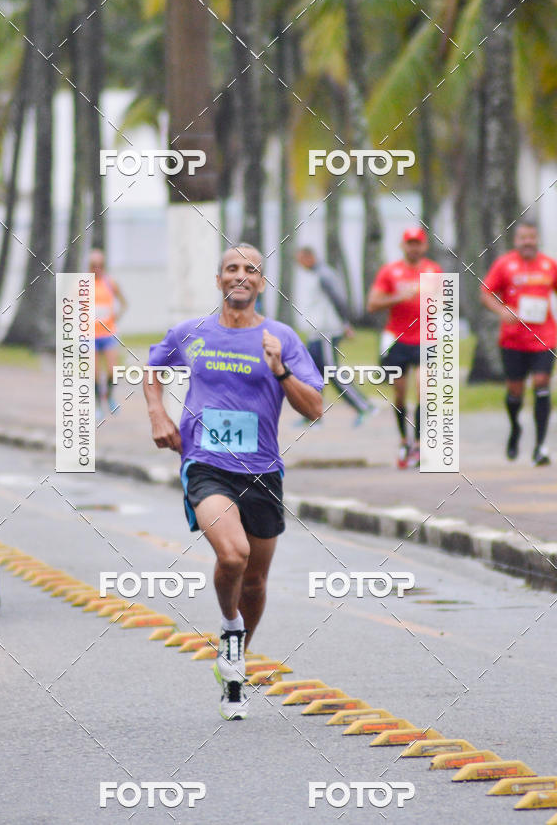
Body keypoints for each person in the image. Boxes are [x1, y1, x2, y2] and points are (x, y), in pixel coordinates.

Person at [143, 244, 323, 720]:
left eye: (251, 270)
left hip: (263, 469)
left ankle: (235, 658)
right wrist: (158, 414)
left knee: (257, 580)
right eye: (231, 269)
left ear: (261, 283)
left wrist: (280, 370)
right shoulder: (192, 333)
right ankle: (229, 627)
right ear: (219, 279)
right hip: (206, 463)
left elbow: (315, 408)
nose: (240, 276)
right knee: (234, 554)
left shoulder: (281, 337)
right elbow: (153, 368)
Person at [481, 221, 557, 465]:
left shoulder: (549, 265)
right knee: (515, 392)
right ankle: (515, 429)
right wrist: (503, 310)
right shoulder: (505, 264)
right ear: (516, 240)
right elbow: (486, 293)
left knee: (541, 382)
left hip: (544, 338)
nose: (528, 242)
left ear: (537, 239)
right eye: (523, 238)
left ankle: (540, 446)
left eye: (532, 238)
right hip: (513, 340)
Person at [366, 227, 442, 468]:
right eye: (410, 243)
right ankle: (403, 440)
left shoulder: (433, 270)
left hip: (425, 338)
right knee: (400, 393)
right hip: (397, 338)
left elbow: (444, 302)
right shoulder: (391, 272)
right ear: (402, 245)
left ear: (424, 246)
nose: (414, 248)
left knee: (424, 389)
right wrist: (398, 297)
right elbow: (372, 304)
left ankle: (419, 444)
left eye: (417, 243)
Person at [295, 247, 375, 422]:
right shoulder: (313, 275)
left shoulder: (324, 275)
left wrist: (346, 323)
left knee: (332, 372)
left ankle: (364, 406)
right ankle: (313, 414)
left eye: (301, 259)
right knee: (313, 373)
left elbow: (337, 299)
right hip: (316, 332)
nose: (299, 264)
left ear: (309, 257)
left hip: (327, 331)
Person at [90, 249, 127, 421]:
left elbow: (124, 303)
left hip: (108, 333)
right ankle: (98, 405)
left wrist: (115, 319)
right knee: (95, 373)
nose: (97, 268)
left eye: (100, 265)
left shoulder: (110, 283)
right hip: (89, 335)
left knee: (113, 370)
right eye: (93, 265)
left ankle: (110, 397)